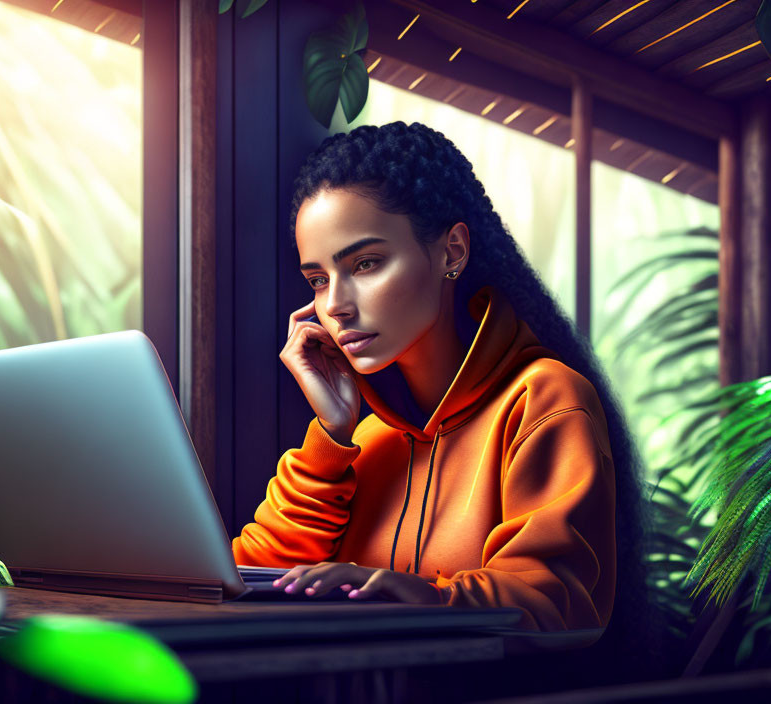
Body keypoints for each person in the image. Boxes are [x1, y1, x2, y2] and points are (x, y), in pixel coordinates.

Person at [231, 121, 662, 681]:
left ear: (451, 251)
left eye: (364, 264)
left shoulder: (544, 398)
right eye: (318, 279)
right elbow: (249, 575)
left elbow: (558, 599)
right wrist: (332, 437)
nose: (335, 305)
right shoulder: (365, 439)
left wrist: (426, 596)